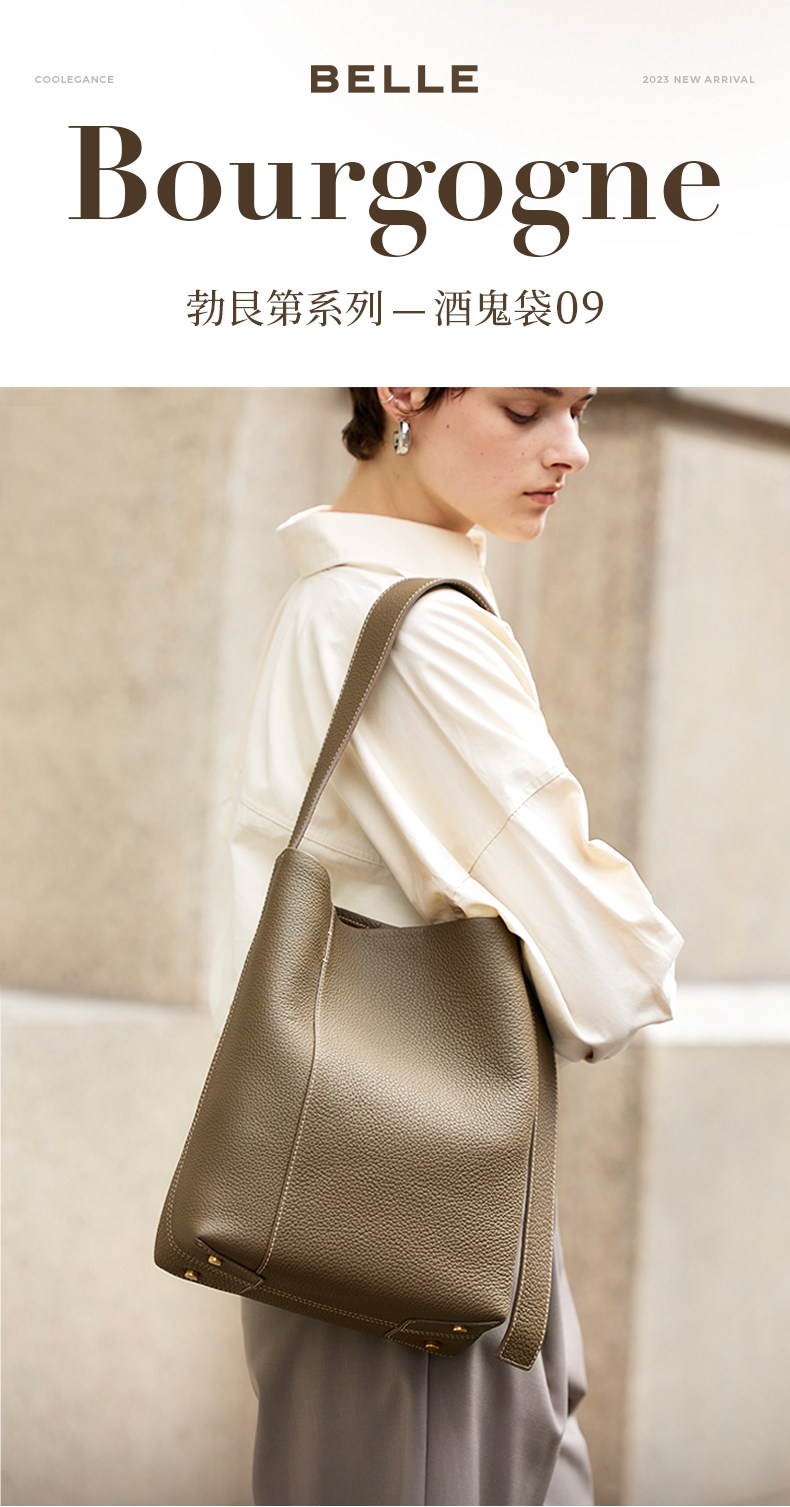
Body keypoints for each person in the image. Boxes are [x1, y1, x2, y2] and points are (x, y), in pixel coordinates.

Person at [211, 386, 684, 1507]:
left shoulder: (332, 598)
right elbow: (614, 976)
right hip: (418, 1233)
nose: (570, 451)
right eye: (525, 409)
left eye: (579, 409)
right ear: (402, 390)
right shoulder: (413, 626)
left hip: (357, 1205)